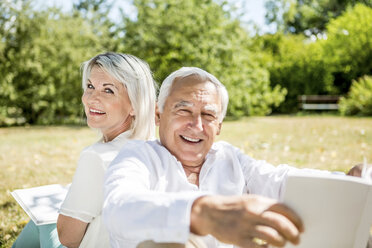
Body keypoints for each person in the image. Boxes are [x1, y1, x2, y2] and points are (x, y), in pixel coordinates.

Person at [103, 67, 366, 248]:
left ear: (219, 126)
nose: (196, 125)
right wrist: (201, 212)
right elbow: (118, 207)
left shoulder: (230, 159)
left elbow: (282, 181)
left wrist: (346, 181)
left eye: (208, 115)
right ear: (159, 116)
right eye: (183, 111)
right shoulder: (138, 157)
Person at [12, 52, 157, 248]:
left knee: (41, 223)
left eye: (108, 90)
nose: (91, 98)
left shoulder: (97, 157)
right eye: (90, 86)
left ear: (135, 104)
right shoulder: (155, 150)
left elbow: (68, 238)